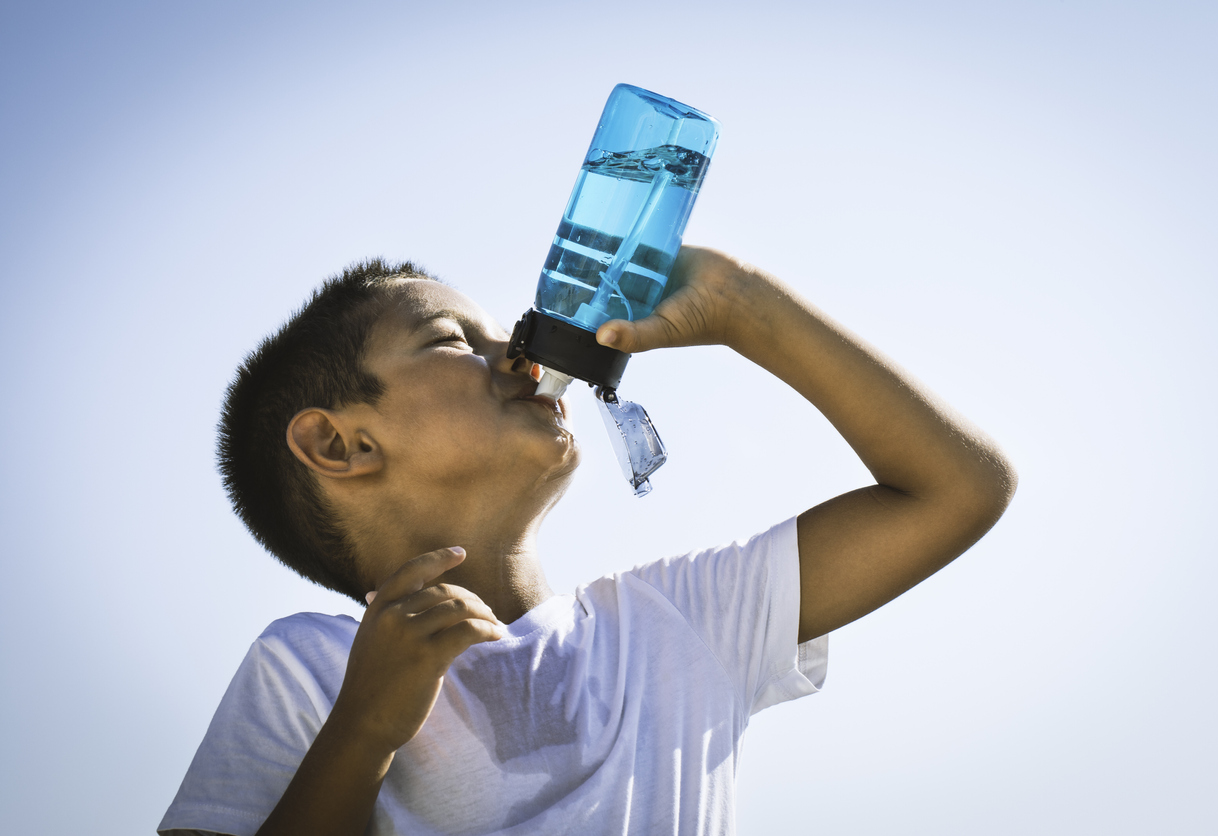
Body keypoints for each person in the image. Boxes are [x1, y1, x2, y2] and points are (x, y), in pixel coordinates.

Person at [159, 246, 1017, 835]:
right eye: (456, 341)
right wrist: (363, 731)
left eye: (513, 337)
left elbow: (958, 489)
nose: (526, 356)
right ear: (341, 445)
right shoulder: (312, 668)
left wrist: (742, 303)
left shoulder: (680, 624)